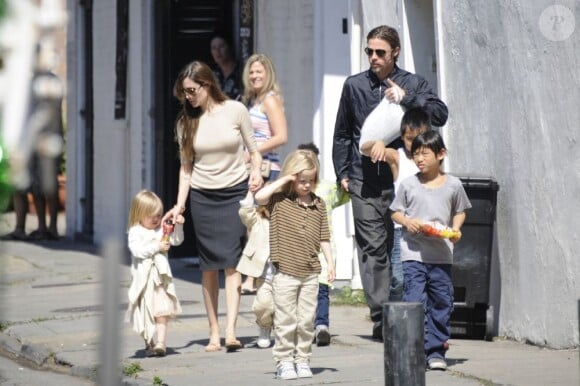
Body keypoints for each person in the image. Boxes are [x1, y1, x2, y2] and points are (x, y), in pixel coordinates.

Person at [332, 24, 449, 340]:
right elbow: (344, 133)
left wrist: (407, 99)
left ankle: (405, 311)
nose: (373, 57)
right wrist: (342, 171)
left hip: (405, 183)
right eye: (369, 51)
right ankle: (384, 316)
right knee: (373, 248)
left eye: (380, 52)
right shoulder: (354, 86)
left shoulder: (412, 83)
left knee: (402, 248)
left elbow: (440, 114)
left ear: (394, 52)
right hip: (363, 180)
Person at [163, 61, 264, 353]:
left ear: (207, 85)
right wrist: (179, 206)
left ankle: (232, 330)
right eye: (185, 93)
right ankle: (214, 333)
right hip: (203, 197)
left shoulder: (236, 110)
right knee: (208, 267)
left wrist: (255, 172)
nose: (189, 98)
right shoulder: (186, 122)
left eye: (192, 91)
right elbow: (186, 169)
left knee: (233, 263)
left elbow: (254, 152)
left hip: (234, 194)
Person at [390, 130, 471, 370]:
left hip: (441, 255)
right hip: (412, 253)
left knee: (441, 302)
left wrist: (455, 229)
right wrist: (406, 222)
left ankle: (436, 351)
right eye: (415, 154)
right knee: (415, 302)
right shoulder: (408, 185)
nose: (420, 159)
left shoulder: (454, 185)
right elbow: (395, 211)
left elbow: (460, 210)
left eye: (425, 153)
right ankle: (415, 351)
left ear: (441, 154)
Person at [255, 149, 335, 380]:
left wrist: (330, 264)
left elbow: (324, 238)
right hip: (285, 273)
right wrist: (284, 180)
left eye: (311, 181)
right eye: (301, 181)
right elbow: (260, 197)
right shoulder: (279, 201)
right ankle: (284, 360)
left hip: (310, 273)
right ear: (292, 177)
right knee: (286, 320)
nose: (307, 185)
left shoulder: (318, 204)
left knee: (306, 321)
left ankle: (302, 359)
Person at [360, 107, 431, 301]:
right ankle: (394, 324)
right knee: (399, 279)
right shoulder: (397, 157)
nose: (414, 144)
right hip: (403, 231)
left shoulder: (432, 159)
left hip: (428, 230)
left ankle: (421, 324)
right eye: (409, 139)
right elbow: (364, 148)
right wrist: (380, 143)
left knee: (425, 279)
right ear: (402, 137)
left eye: (418, 138)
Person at [240, 53, 288, 294]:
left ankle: (254, 277)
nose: (255, 75)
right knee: (252, 222)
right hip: (252, 168)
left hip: (267, 168)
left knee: (260, 223)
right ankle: (255, 275)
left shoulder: (270, 100)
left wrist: (252, 151)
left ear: (268, 74)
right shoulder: (250, 100)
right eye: (251, 71)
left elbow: (281, 136)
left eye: (259, 71)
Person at [297, 142, 350, 347]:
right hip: (299, 251)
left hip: (324, 249)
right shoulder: (292, 190)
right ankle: (304, 326)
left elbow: (347, 192)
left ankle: (322, 326)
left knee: (322, 290)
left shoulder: (328, 187)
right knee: (301, 290)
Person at [126, 190, 184, 357]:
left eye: (159, 215)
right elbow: (137, 251)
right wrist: (157, 247)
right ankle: (149, 343)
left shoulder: (161, 229)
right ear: (139, 214)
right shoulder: (135, 232)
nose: (156, 219)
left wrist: (178, 226)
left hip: (159, 280)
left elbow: (175, 241)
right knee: (146, 314)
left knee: (161, 312)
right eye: (152, 216)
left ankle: (161, 343)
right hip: (143, 281)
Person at [236, 189, 275, 349]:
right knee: (262, 305)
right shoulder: (258, 219)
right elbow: (245, 213)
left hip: (286, 274)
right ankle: (265, 326)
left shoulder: (289, 218)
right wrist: (251, 194)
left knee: (285, 307)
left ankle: (283, 333)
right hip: (264, 273)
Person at [210, 31, 242, 101]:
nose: (217, 51)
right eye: (214, 48)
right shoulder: (212, 75)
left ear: (230, 48)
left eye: (221, 46)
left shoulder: (241, 72)